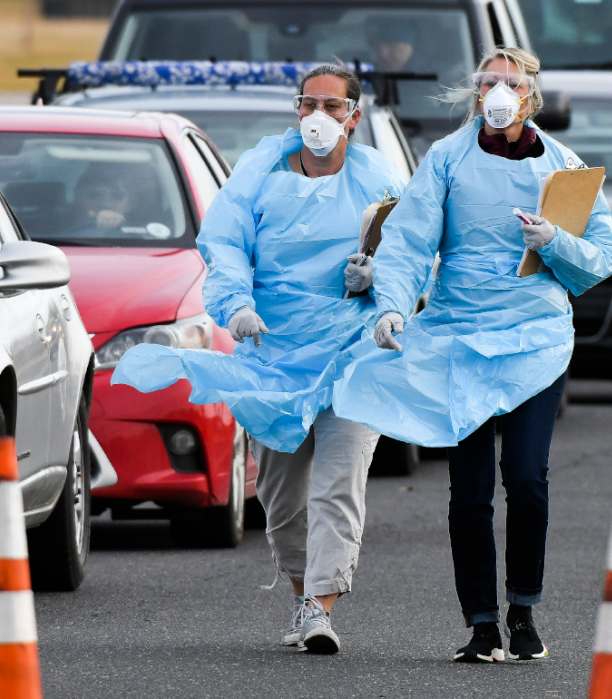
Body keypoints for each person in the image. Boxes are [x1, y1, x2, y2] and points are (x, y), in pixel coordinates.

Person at [332, 48, 612, 662]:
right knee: (469, 490)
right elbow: (409, 240)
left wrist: (556, 240)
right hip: (459, 337)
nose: (497, 91)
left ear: (529, 95)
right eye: (488, 81)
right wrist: (392, 305)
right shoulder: (446, 160)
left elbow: (601, 256)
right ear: (474, 91)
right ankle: (482, 625)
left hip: (535, 338)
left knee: (527, 478)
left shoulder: (563, 168)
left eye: (509, 83)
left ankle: (524, 612)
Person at [112, 63, 405, 654]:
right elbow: (225, 246)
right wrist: (236, 306)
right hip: (274, 357)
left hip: (350, 357)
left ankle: (322, 608)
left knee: (338, 485)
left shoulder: (377, 177)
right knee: (281, 495)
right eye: (307, 104)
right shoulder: (259, 173)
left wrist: (381, 285)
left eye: (331, 104)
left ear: (355, 114)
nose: (316, 117)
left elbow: (408, 249)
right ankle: (303, 595)